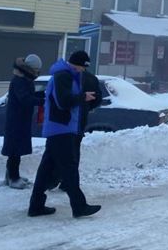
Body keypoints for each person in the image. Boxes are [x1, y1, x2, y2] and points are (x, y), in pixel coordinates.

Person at [28, 51, 100, 218]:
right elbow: (63, 102)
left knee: (46, 170)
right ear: (76, 64)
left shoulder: (67, 75)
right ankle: (79, 207)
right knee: (69, 169)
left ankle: (36, 205)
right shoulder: (63, 76)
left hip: (59, 129)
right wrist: (83, 97)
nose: (83, 70)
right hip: (62, 129)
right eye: (82, 67)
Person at [1, 54, 43, 190]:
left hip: (20, 119)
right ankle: (13, 177)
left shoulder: (24, 79)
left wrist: (41, 95)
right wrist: (41, 101)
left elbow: (28, 96)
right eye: (36, 69)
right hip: (16, 120)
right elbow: (25, 99)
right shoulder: (20, 80)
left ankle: (11, 176)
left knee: (16, 149)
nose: (37, 72)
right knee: (15, 150)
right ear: (30, 69)